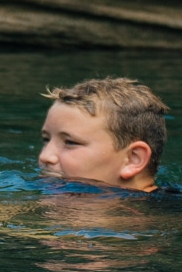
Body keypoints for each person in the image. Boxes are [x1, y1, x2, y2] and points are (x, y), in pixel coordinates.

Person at [37, 77, 170, 192]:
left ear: (133, 158)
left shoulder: (173, 216)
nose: (45, 157)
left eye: (70, 142)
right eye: (46, 139)